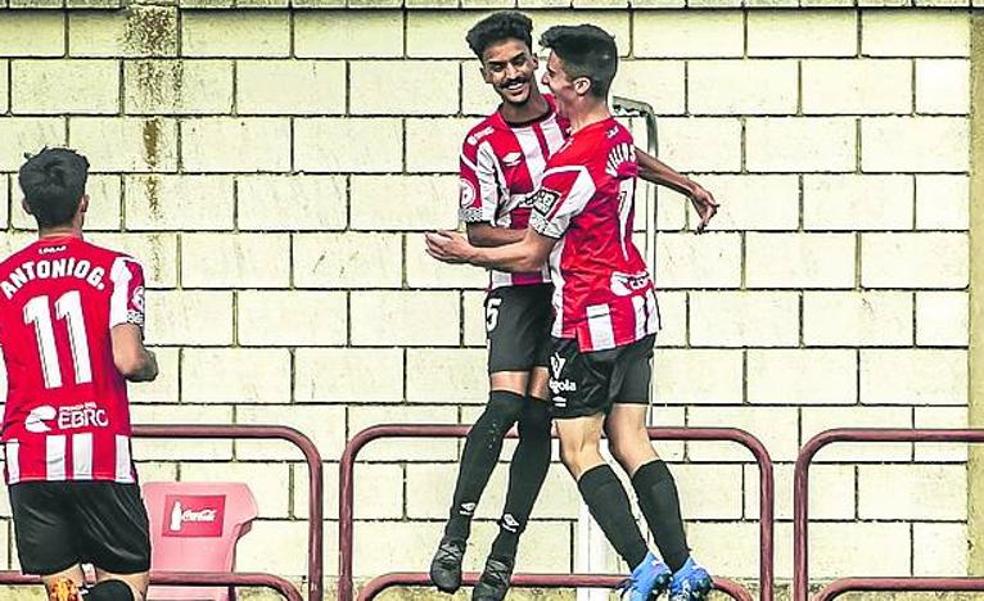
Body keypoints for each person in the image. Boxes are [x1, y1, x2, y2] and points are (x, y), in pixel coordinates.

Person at [427, 24, 715, 601]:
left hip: (585, 310)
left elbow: (536, 248)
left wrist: (466, 253)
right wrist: (689, 186)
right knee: (628, 437)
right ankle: (685, 570)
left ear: (572, 84)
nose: (533, 76)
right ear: (485, 72)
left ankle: (641, 567)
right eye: (502, 66)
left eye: (542, 68)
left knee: (576, 444)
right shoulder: (606, 132)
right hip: (633, 303)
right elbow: (626, 158)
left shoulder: (570, 156)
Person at [0, 148, 158, 601]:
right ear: (83, 202)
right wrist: (151, 363)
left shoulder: (4, 277)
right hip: (100, 454)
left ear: (28, 207)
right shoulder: (118, 270)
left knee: (65, 594)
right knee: (125, 584)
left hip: (29, 460)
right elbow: (129, 359)